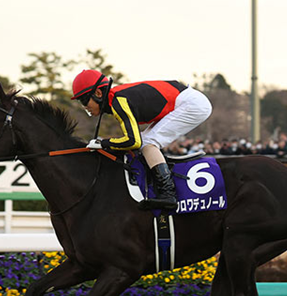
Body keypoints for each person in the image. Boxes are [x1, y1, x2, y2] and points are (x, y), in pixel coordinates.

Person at [71, 69, 212, 210]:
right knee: (145, 140)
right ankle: (159, 180)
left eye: (84, 100)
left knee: (148, 142)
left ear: (98, 93)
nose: (84, 106)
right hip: (186, 100)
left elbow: (133, 141)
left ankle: (167, 193)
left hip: (192, 104)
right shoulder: (116, 99)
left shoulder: (118, 101)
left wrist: (104, 143)